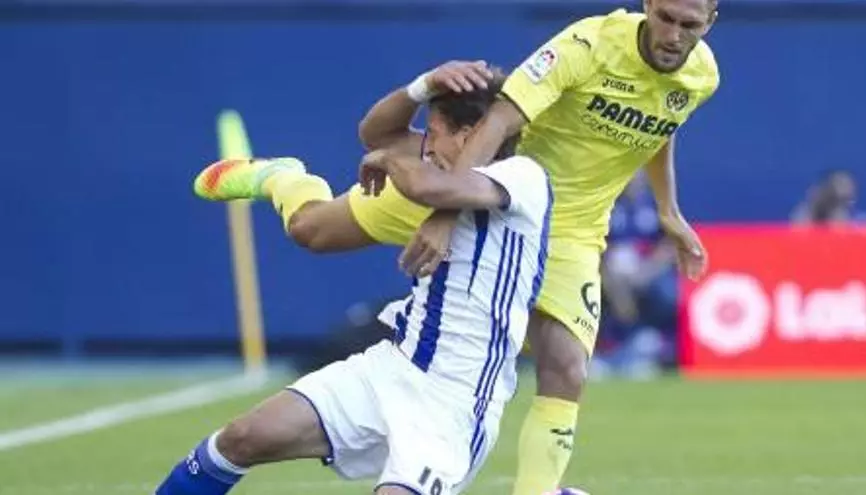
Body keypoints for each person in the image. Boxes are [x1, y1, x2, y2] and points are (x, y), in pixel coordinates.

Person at [197, 0, 721, 490]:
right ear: (647, 4)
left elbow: (661, 126)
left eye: (690, 24)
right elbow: (500, 119)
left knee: (566, 367)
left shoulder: (701, 77)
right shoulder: (588, 44)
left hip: (568, 228)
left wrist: (668, 211)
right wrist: (447, 212)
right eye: (666, 17)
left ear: (711, 20)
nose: (674, 34)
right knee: (312, 230)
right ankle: (283, 177)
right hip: (481, 183)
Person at [157, 70, 554, 495]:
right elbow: (375, 134)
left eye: (435, 134)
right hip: (392, 368)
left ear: (469, 135)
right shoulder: (440, 166)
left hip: (455, 404)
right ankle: (286, 179)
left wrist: (389, 160)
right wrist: (422, 86)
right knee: (242, 437)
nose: (427, 146)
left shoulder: (524, 176)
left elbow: (432, 185)